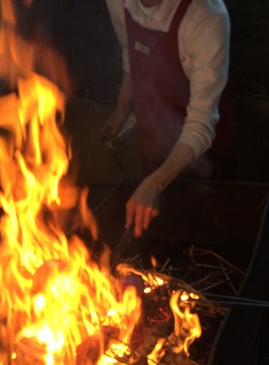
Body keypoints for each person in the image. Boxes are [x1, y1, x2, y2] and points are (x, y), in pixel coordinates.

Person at [102, 0, 234, 237]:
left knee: (209, 230)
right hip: (154, 141)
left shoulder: (207, 17)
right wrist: (121, 109)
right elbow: (129, 49)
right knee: (158, 233)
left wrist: (154, 184)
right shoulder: (118, 2)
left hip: (203, 150)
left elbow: (200, 123)